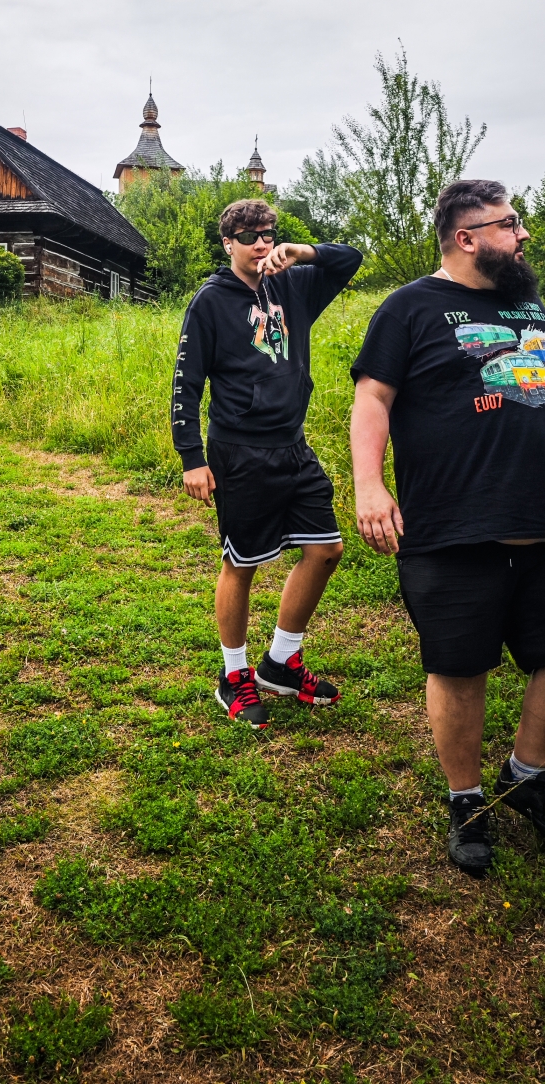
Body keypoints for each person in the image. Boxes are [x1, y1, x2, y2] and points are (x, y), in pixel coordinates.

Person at [348, 179, 545, 875]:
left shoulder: (529, 305)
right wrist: (369, 485)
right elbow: (372, 398)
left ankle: (526, 776)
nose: (523, 233)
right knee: (459, 667)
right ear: (467, 237)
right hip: (454, 522)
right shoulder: (409, 307)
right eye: (509, 223)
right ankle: (465, 800)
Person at [173, 198, 362, 729]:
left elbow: (350, 259)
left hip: (292, 446)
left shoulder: (293, 285)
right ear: (227, 243)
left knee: (326, 550)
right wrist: (192, 458)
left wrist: (302, 252)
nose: (261, 243)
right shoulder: (210, 301)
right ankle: (234, 675)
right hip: (239, 450)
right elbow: (186, 382)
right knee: (243, 563)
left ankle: (280, 662)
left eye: (268, 234)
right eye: (249, 236)